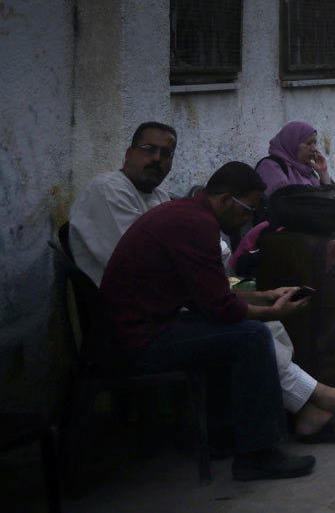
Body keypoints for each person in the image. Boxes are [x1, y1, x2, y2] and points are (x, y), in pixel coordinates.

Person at [101, 162, 321, 480]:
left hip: (145, 328)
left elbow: (210, 295)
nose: (249, 219)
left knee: (233, 332)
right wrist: (274, 312)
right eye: (249, 208)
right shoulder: (196, 224)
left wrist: (268, 296)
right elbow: (221, 308)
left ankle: (222, 437)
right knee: (252, 336)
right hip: (136, 341)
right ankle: (257, 455)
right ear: (226, 200)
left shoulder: (188, 214)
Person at [70, 121, 178, 286]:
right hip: (125, 303)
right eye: (149, 149)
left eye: (166, 153)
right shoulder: (108, 189)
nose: (157, 158)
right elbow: (139, 262)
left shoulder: (159, 195)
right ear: (129, 153)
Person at [256, 121, 335, 195]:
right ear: (292, 143)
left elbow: (331, 202)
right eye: (309, 143)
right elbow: (284, 203)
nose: (314, 148)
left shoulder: (308, 172)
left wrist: (323, 173)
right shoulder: (271, 167)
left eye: (315, 143)